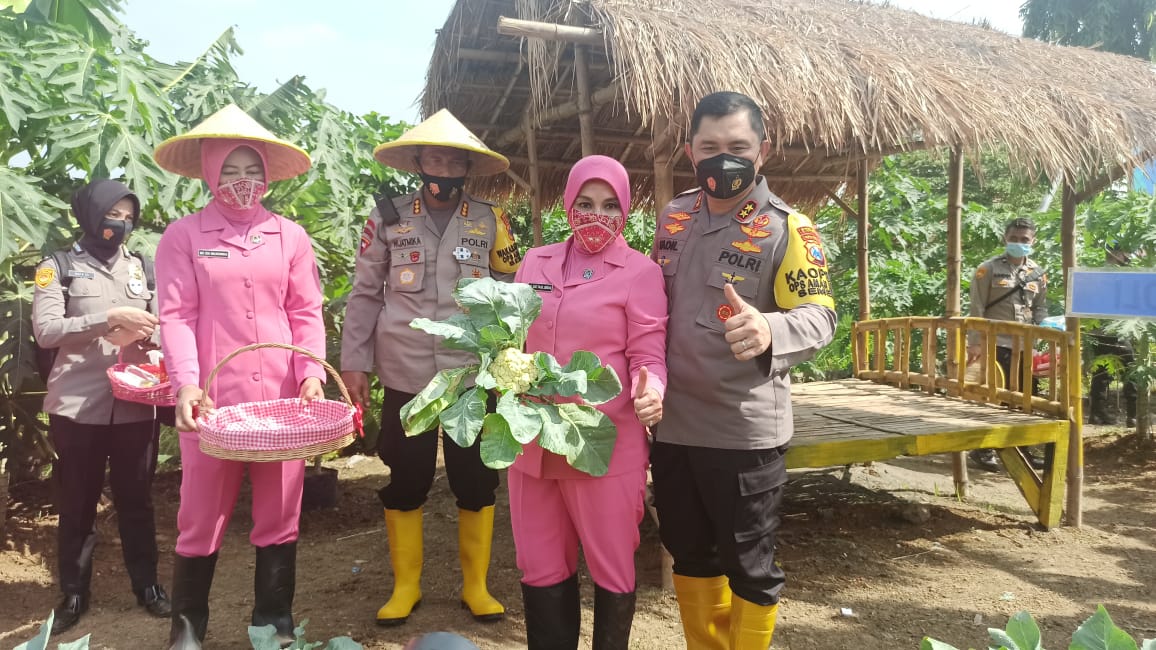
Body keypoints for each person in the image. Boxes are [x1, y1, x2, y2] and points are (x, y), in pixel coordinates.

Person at [649, 91, 837, 648]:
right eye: (710, 146)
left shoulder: (790, 228)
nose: (722, 158)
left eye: (737, 146)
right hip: (674, 424)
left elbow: (822, 316)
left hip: (742, 431)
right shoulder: (674, 216)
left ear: (763, 152)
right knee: (689, 553)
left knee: (748, 567)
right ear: (691, 151)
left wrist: (771, 330)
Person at [153, 104, 325, 649]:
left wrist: (310, 375)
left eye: (252, 170)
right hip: (214, 403)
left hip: (280, 403)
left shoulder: (289, 236)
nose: (242, 181)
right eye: (230, 169)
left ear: (267, 175)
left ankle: (273, 623)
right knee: (200, 515)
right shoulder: (183, 237)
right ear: (209, 172)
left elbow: (305, 312)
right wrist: (186, 382)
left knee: (280, 514)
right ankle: (186, 629)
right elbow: (175, 315)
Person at [340, 109, 521, 626]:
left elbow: (510, 292)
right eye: (435, 155)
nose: (444, 165)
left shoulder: (491, 220)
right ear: (419, 161)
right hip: (405, 371)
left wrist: (509, 360)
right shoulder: (388, 217)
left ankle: (477, 588)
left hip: (468, 373)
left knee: (476, 479)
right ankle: (405, 588)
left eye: (454, 157)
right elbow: (364, 294)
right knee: (406, 476)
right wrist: (355, 363)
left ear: (466, 166)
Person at [509, 155, 668, 649]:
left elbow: (648, 352)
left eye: (609, 206)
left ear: (624, 211)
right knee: (539, 568)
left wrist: (652, 390)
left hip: (602, 445)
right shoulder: (535, 261)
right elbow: (509, 334)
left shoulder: (640, 273)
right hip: (532, 442)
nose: (596, 216)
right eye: (585, 203)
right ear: (567, 204)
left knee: (612, 569)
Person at [31, 179, 172, 634]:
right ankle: (73, 593)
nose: (121, 224)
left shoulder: (144, 269)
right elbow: (47, 331)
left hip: (135, 405)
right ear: (91, 214)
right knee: (77, 503)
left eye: (130, 218)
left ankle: (147, 586)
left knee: (137, 500)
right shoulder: (57, 267)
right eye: (114, 214)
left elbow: (166, 326)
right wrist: (108, 319)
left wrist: (152, 337)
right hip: (78, 407)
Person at [966, 217, 1048, 472]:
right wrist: (975, 343)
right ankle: (983, 450)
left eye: (1025, 240)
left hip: (1025, 346)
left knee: (1027, 397)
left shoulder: (1038, 273)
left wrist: (1044, 331)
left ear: (1033, 242)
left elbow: (1040, 307)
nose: (1019, 243)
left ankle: (1022, 449)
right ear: (1005, 238)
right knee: (993, 396)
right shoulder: (987, 269)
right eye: (1014, 239)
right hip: (995, 344)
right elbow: (977, 307)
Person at [1087, 243, 1138, 427]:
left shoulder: (1095, 274)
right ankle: (1133, 416)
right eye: (1126, 252)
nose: (1128, 257)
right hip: (1115, 332)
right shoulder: (1120, 275)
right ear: (1115, 253)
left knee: (1101, 374)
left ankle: (1097, 414)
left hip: (1097, 332)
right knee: (1130, 371)